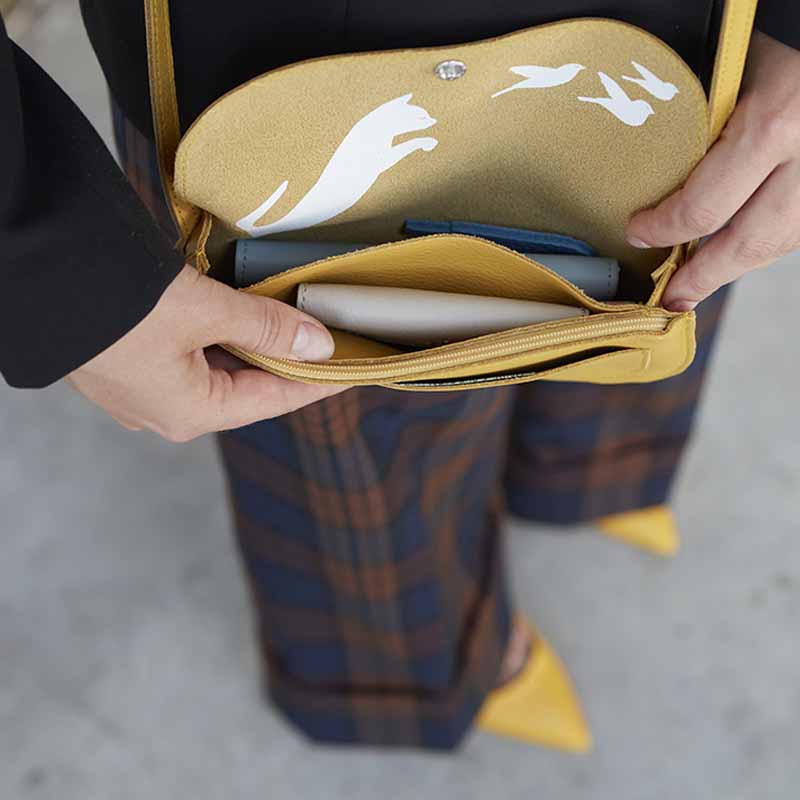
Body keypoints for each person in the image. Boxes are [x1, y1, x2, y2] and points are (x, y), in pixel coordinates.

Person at [1, 1, 798, 751]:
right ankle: (426, 666)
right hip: (278, 69)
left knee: (642, 283)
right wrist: (54, 260)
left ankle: (590, 475)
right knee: (342, 398)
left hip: (679, 42)